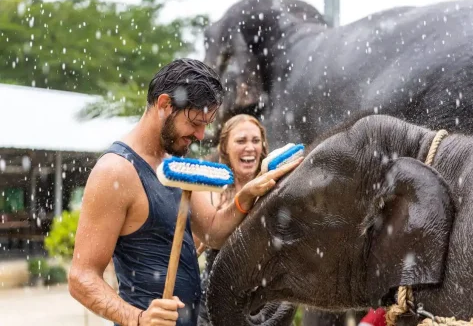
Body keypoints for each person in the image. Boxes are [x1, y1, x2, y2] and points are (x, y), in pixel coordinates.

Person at [68, 58, 302, 326]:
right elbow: (81, 277)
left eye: (206, 124)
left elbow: (213, 232)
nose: (201, 135)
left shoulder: (176, 163)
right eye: (195, 122)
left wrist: (245, 196)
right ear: (165, 105)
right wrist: (139, 318)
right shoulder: (115, 172)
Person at [190, 114, 269, 325]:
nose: (250, 147)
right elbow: (192, 250)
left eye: (255, 140)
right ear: (224, 147)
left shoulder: (274, 191)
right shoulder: (211, 195)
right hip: (214, 305)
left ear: (263, 145)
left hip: (264, 306)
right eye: (241, 141)